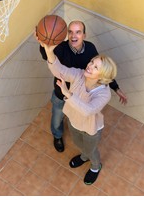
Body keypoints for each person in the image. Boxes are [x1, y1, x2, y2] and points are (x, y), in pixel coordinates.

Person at [39, 21, 127, 152]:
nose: (73, 35)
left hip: (78, 96)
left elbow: (103, 71)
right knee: (57, 118)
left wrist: (116, 88)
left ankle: (77, 133)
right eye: (70, 32)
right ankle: (57, 136)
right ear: (66, 33)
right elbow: (52, 62)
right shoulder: (61, 47)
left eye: (78, 32)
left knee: (76, 115)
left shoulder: (90, 49)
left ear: (84, 35)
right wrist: (44, 45)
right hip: (60, 92)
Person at [41, 42, 117, 185]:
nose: (89, 65)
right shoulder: (80, 74)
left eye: (95, 67)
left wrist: (68, 94)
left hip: (90, 129)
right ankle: (84, 156)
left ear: (103, 75)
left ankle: (95, 166)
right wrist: (49, 51)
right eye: (91, 62)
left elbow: (88, 110)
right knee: (77, 143)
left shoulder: (104, 93)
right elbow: (60, 70)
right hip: (74, 121)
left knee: (91, 150)